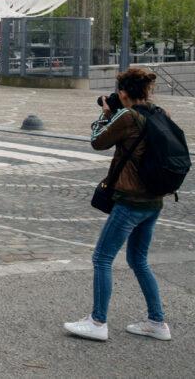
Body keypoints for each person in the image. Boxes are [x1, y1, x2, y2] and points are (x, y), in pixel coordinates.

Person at [65, 68, 173, 342]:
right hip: (154, 200)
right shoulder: (159, 113)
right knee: (139, 259)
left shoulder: (127, 116)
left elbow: (97, 142)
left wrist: (104, 113)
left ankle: (98, 321)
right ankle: (157, 322)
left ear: (123, 93)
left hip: (130, 200)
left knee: (102, 258)